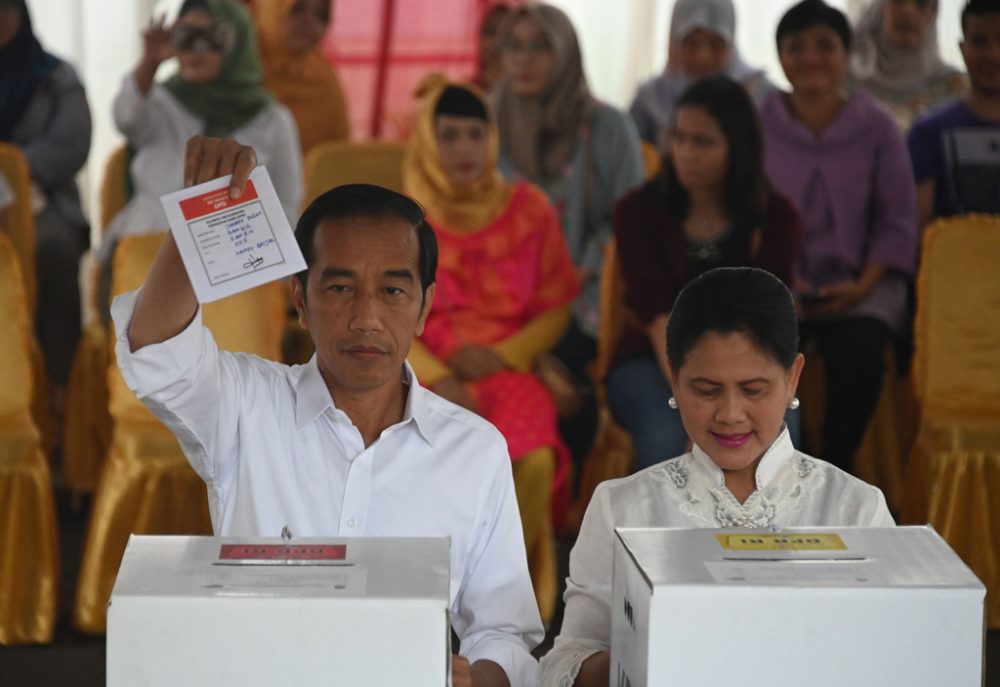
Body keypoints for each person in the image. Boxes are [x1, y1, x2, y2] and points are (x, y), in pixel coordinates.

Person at [113, 136, 543, 687]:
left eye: (392, 290)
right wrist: (198, 213)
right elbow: (158, 353)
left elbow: (502, 629)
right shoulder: (247, 405)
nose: (366, 317)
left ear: (424, 307)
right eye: (339, 287)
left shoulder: (474, 449)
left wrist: (482, 677)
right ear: (299, 298)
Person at [539, 267, 895, 687]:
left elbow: (890, 654)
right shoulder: (624, 507)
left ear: (793, 377)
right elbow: (564, 662)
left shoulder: (854, 508)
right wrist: (634, 658)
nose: (729, 414)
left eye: (753, 389)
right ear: (674, 379)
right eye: (707, 390)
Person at [403, 76, 579, 621]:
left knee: (530, 460)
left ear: (493, 138)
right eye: (448, 136)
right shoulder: (403, 218)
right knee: (428, 462)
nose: (463, 150)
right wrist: (436, 371)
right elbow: (387, 312)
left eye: (475, 134)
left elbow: (555, 307)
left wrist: (502, 356)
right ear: (428, 142)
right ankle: (428, 603)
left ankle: (501, 601)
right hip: (421, 370)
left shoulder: (529, 208)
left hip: (510, 367)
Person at [607, 76, 802, 474]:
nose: (684, 153)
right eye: (678, 137)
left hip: (748, 363)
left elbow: (770, 318)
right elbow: (655, 311)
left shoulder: (775, 217)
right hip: (652, 360)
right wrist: (692, 393)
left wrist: (733, 389)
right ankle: (660, 538)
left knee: (778, 428)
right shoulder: (638, 211)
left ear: (738, 148)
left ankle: (766, 535)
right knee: (665, 431)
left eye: (703, 142)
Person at [759, 0, 918, 475]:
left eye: (825, 46)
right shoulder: (757, 123)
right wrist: (780, 287)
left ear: (846, 54)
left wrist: (863, 285)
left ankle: (835, 469)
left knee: (860, 355)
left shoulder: (878, 127)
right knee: (765, 354)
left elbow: (898, 220)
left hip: (862, 285)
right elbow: (747, 215)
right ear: (780, 57)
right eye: (796, 47)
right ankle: (778, 475)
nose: (810, 58)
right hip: (776, 286)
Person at [493, 2, 644, 467]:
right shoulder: (489, 120)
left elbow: (629, 220)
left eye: (539, 47)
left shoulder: (607, 126)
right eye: (514, 46)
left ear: (565, 54)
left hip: (583, 289)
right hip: (501, 290)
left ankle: (557, 503)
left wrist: (578, 266)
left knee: (553, 368)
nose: (524, 59)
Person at [98, 0, 302, 268]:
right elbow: (125, 117)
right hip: (148, 249)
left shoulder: (273, 120)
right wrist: (149, 62)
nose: (196, 49)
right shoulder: (160, 102)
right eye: (185, 36)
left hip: (236, 261)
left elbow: (286, 207)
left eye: (211, 37)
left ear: (238, 43)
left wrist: (275, 275)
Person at [0, 0, 91, 420]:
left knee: (52, 255)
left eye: (5, 7)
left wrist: (12, 171)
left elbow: (72, 143)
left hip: (44, 199)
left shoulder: (54, 75)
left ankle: (60, 406)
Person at [630, 0, 774, 149]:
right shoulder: (652, 98)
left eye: (716, 43)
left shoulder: (761, 95)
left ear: (731, 43)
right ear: (676, 43)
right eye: (692, 43)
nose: (703, 57)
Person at [907, 0, 1000, 226]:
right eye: (980, 42)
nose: (993, 54)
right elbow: (919, 231)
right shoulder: (927, 135)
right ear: (962, 48)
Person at [851, 0, 966, 131]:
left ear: (932, 15)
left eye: (921, 4)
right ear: (881, 8)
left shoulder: (954, 87)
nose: (907, 12)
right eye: (898, 1)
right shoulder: (843, 78)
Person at [252, 0, 351, 153]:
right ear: (271, 11)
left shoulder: (324, 80)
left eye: (321, 15)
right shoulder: (235, 71)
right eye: (297, 10)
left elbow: (339, 157)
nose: (309, 21)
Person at [472, 3, 512, 92]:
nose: (495, 42)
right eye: (489, 32)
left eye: (505, 35)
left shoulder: (530, 93)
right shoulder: (469, 90)